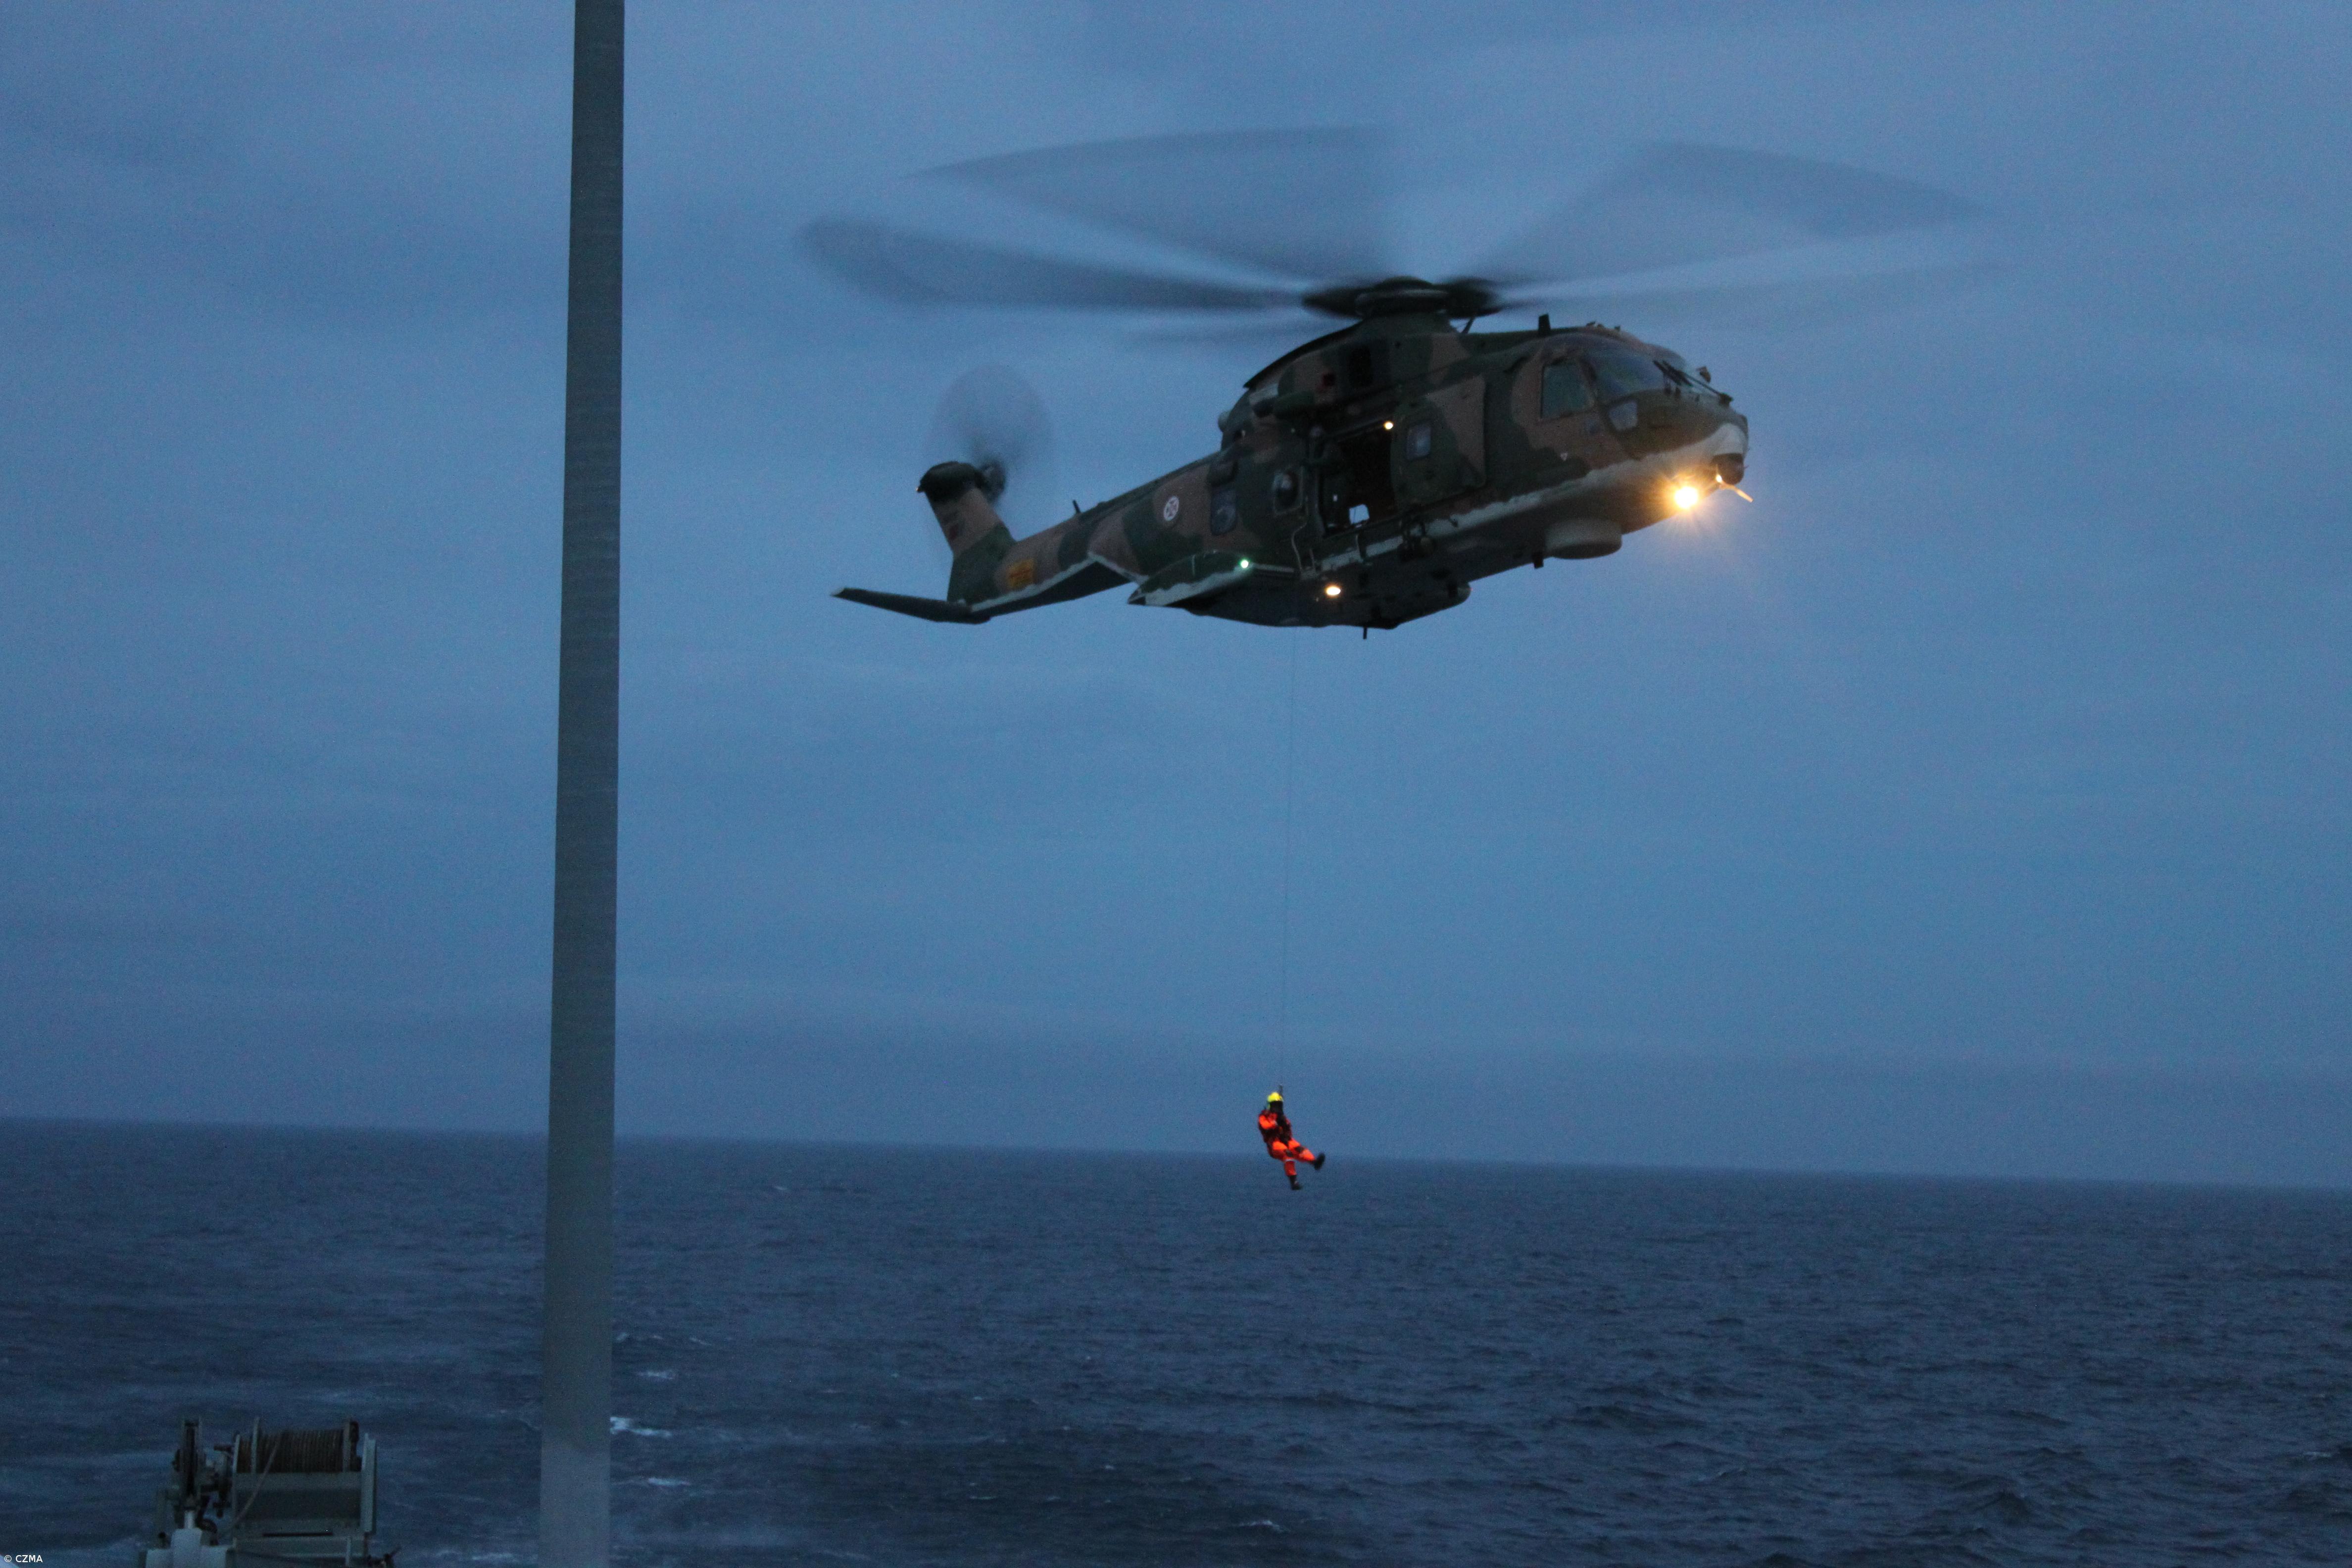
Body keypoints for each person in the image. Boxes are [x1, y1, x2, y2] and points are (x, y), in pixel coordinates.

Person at [1256, 1090, 1326, 1190]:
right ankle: (1294, 1182)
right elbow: (1265, 1126)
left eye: (1279, 1105)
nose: (1278, 1108)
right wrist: (1276, 1123)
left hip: (1286, 1140)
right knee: (1288, 1154)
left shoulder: (1282, 1117)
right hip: (1274, 1144)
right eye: (1276, 1105)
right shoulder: (1264, 1117)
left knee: (1300, 1149)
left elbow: (1288, 1128)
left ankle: (1315, 1163)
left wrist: (1284, 1124)